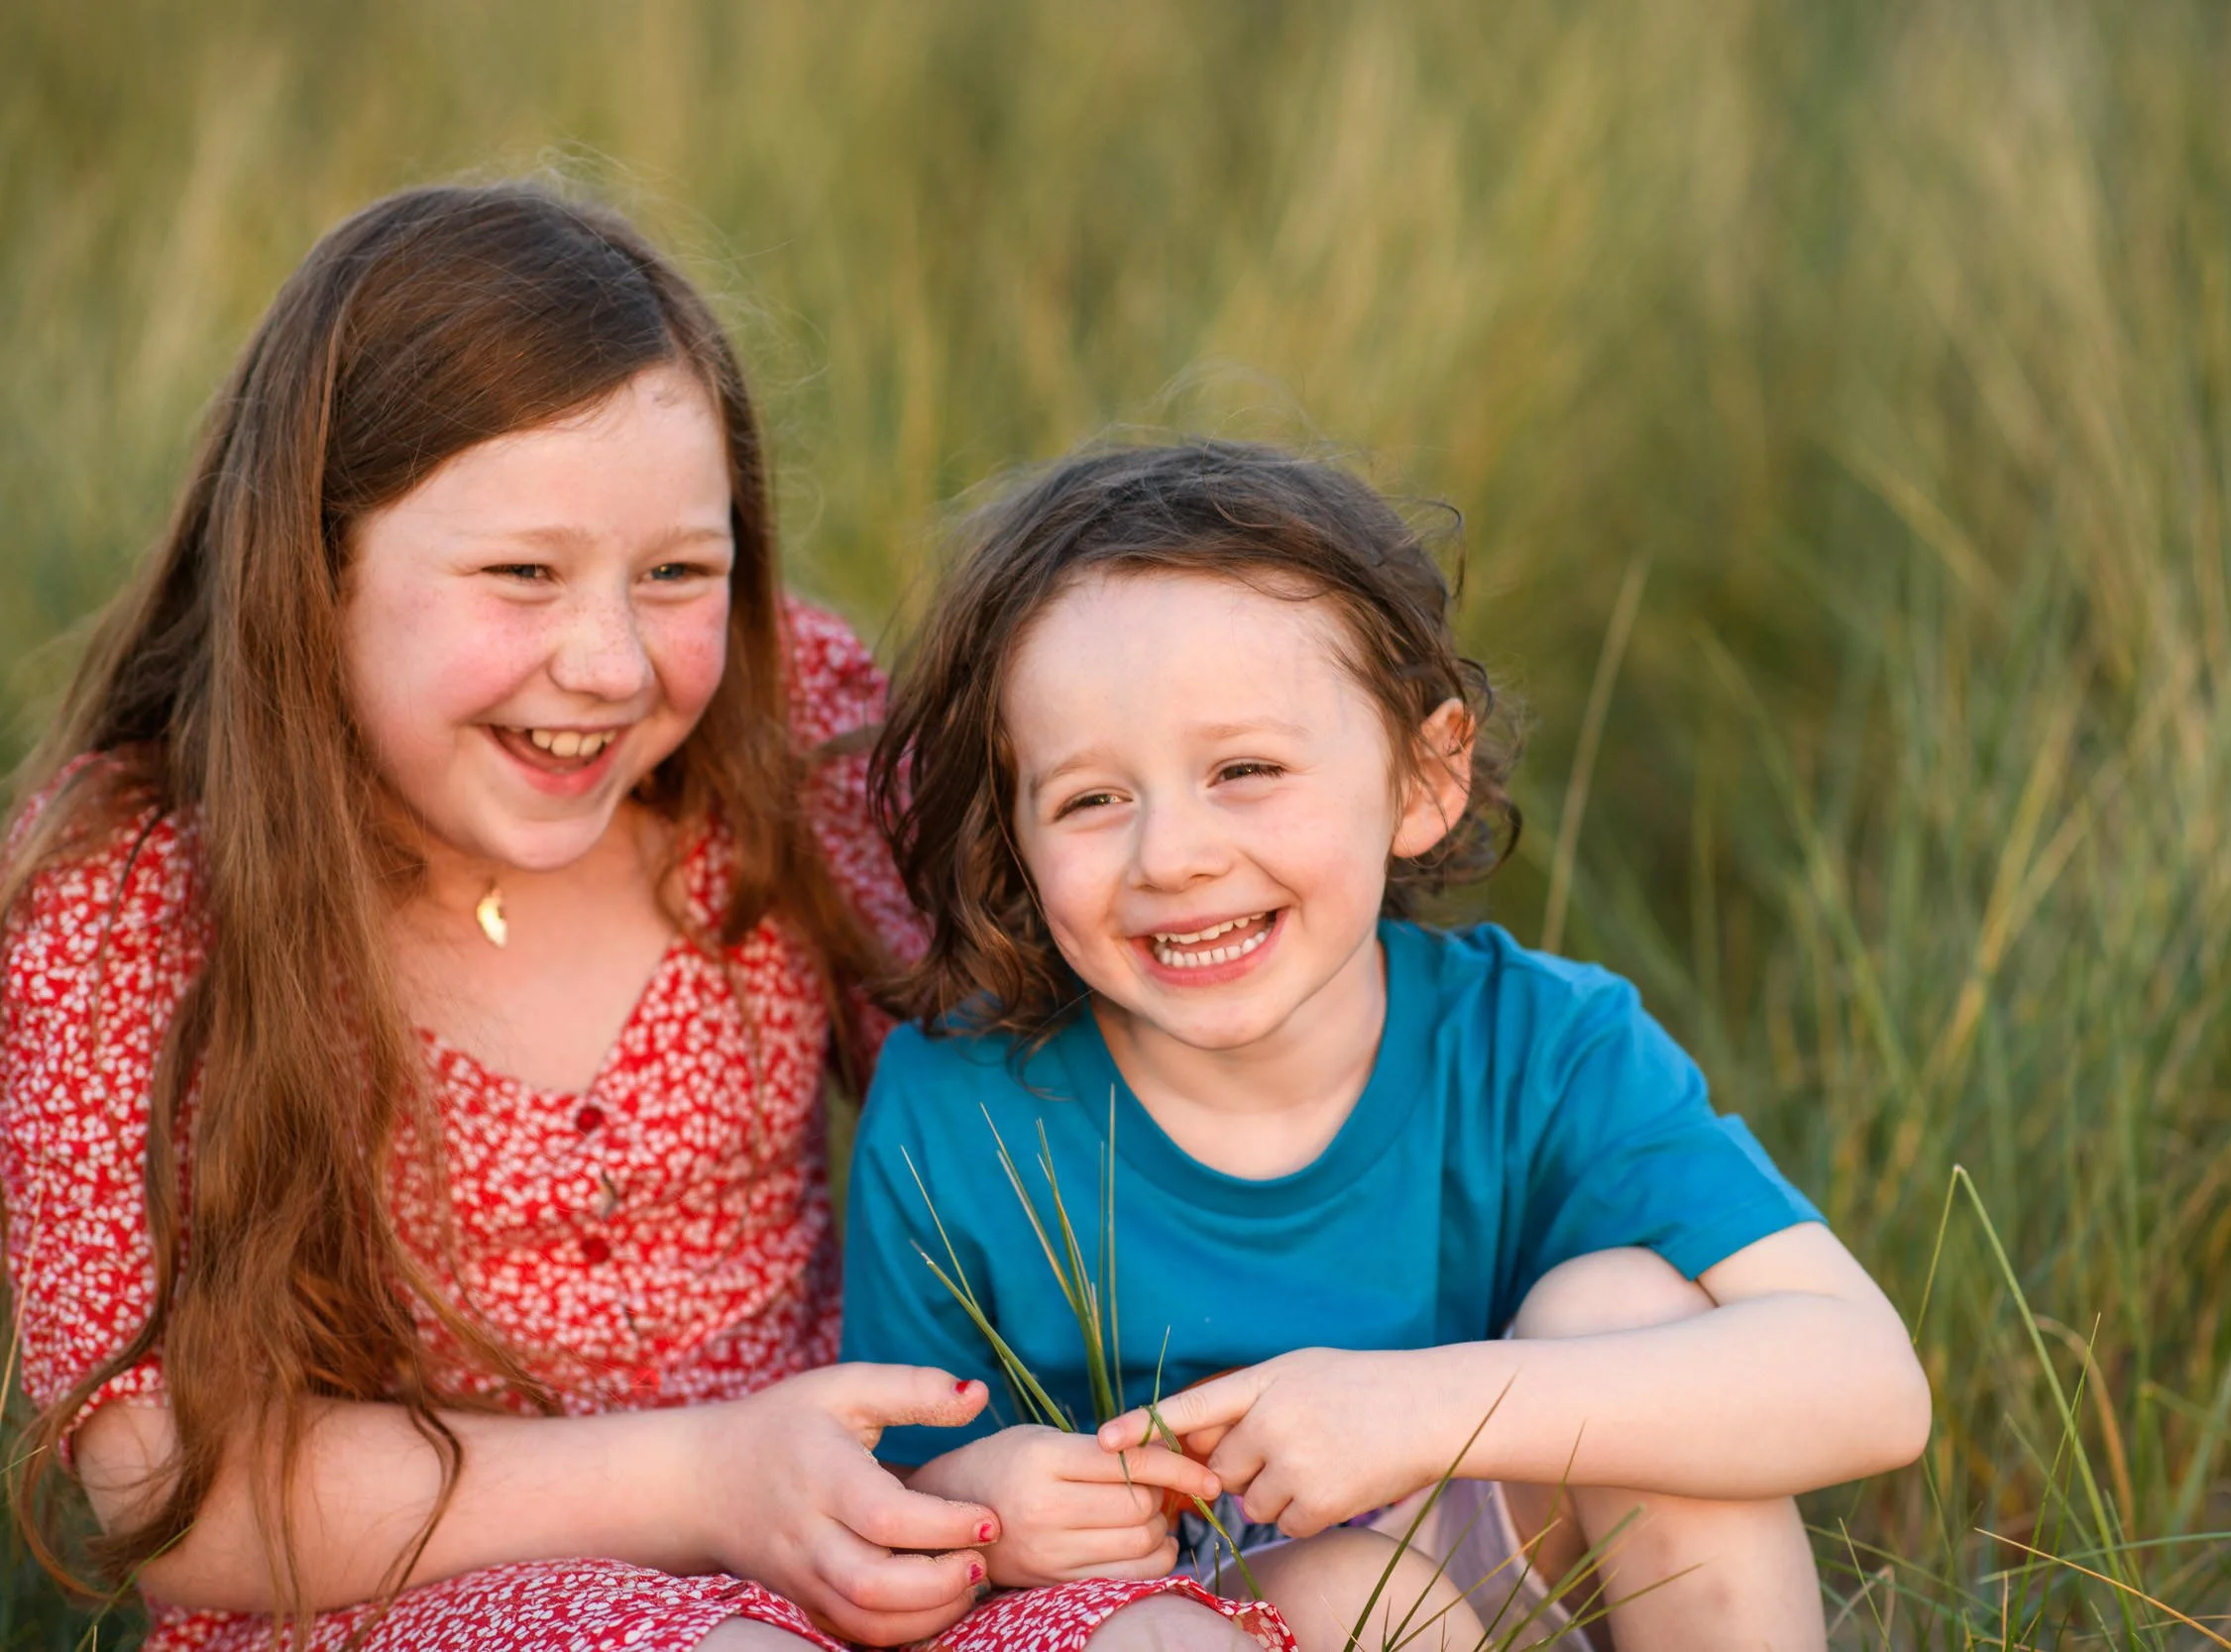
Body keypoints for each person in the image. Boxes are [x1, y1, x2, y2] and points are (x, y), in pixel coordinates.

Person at [0, 186, 1288, 1652]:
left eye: (677, 571)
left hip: (850, 1530)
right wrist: (702, 1476)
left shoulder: (778, 725)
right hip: (401, 1599)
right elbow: (164, 1483)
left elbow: (1047, 1069)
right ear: (312, 567)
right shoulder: (130, 885)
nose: (610, 661)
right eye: (522, 573)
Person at [840, 441, 1934, 1652]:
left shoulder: (1539, 1043)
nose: (1171, 856)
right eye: (1091, 798)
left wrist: (1417, 1407)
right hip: (1171, 1620)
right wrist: (984, 1501)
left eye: (1244, 769)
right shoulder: (959, 1113)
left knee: (1629, 1304)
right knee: (1345, 1586)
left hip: (1497, 1563)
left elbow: (1868, 1381)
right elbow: (884, 1513)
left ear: (1423, 775)